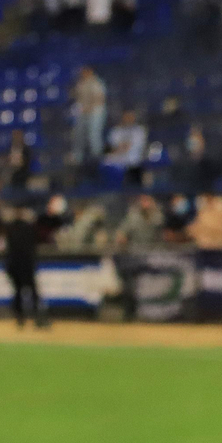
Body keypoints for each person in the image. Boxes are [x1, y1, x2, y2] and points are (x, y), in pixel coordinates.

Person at [114, 194, 163, 322]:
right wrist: (123, 242)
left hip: (153, 257)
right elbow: (121, 235)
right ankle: (130, 313)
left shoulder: (157, 217)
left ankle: (153, 314)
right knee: (131, 286)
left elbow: (163, 235)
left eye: (148, 201)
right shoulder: (133, 217)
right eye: (143, 201)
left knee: (152, 287)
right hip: (134, 257)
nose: (146, 204)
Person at [1, 204, 48, 329]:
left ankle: (21, 319)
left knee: (18, 293)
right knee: (32, 293)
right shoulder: (28, 227)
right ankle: (37, 319)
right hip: (25, 266)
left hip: (15, 266)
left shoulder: (10, 228)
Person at [71, 67, 108, 163]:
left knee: (93, 136)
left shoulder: (97, 82)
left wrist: (89, 108)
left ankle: (98, 159)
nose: (83, 73)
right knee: (78, 135)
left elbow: (100, 98)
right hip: (83, 112)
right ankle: (77, 160)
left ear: (90, 71)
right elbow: (77, 96)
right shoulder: (80, 83)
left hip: (95, 112)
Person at [103, 110, 148, 187]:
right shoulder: (116, 130)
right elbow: (110, 148)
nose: (128, 120)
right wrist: (120, 148)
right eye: (126, 117)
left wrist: (122, 147)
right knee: (105, 162)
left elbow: (132, 146)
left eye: (130, 118)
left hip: (134, 161)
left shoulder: (139, 130)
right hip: (117, 161)